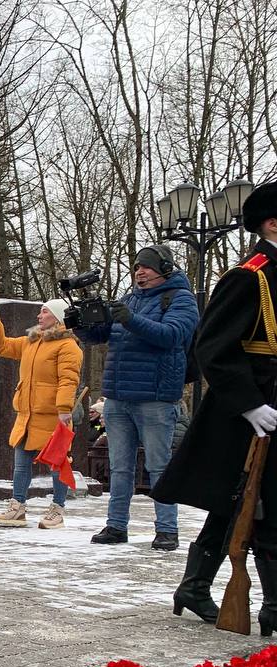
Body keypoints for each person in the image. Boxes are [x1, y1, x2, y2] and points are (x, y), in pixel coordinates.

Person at [154, 183, 277, 629]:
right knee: (259, 502)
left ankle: (194, 585)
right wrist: (249, 404)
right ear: (272, 223)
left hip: (269, 405)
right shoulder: (251, 275)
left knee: (238, 503)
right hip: (246, 412)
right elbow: (213, 346)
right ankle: (272, 608)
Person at [77, 243, 199, 551]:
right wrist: (80, 323)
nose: (139, 271)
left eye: (146, 266)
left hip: (156, 396)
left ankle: (167, 529)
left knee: (159, 466)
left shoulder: (181, 299)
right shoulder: (129, 298)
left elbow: (171, 335)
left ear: (165, 270)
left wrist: (130, 318)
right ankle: (116, 526)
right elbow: (101, 336)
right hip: (118, 396)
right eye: (136, 267)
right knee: (120, 466)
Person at [0, 299, 82, 529]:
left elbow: (68, 380)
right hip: (27, 414)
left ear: (58, 317)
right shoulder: (32, 340)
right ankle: (17, 507)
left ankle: (57, 510)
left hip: (51, 415)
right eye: (40, 312)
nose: (39, 316)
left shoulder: (67, 346)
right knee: (21, 464)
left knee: (58, 464)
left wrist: (63, 409)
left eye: (45, 312)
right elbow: (2, 347)